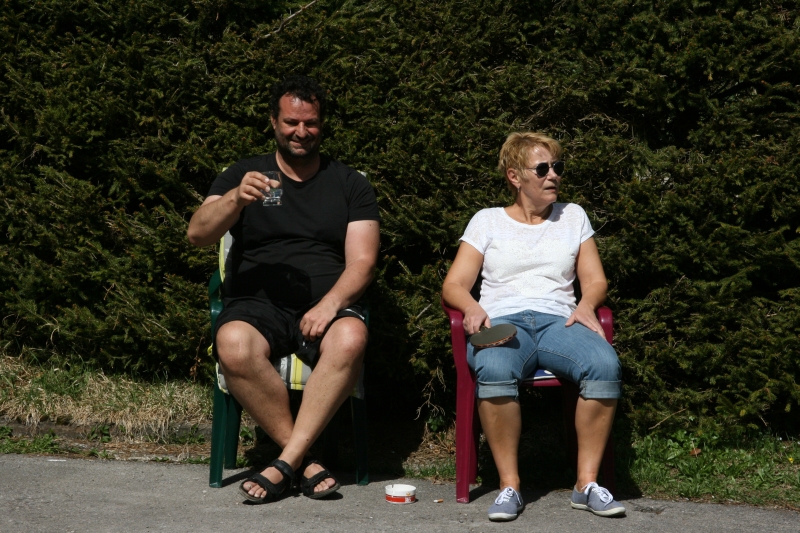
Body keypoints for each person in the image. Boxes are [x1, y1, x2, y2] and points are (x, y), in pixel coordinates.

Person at [187, 75, 380, 504]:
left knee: (352, 337)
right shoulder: (243, 175)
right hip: (257, 305)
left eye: (310, 123)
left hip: (325, 304)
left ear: (322, 125)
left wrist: (330, 304)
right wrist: (235, 199)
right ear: (273, 121)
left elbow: (363, 262)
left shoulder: (350, 183)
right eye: (291, 122)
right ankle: (304, 461)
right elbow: (197, 234)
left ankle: (283, 462)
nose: (301, 132)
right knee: (232, 343)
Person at [441, 132, 624, 521]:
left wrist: (587, 305)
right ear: (515, 176)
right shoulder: (487, 221)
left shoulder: (573, 216)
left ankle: (586, 484)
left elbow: (595, 280)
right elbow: (454, 284)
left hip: (561, 320)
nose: (553, 175)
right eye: (542, 168)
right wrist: (471, 307)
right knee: (494, 367)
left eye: (558, 167)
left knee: (604, 364)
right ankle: (510, 486)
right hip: (504, 322)